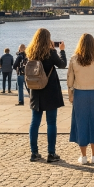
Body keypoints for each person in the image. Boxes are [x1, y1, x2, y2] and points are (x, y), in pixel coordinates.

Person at [67, 33, 94, 164]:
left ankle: (83, 156)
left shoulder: (74, 59)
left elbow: (69, 80)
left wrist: (70, 95)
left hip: (80, 93)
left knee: (81, 123)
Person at [26, 28, 67, 163]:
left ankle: (34, 153)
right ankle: (51, 153)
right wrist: (60, 50)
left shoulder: (30, 52)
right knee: (51, 123)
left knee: (34, 123)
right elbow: (62, 65)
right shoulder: (50, 53)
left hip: (35, 91)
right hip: (50, 91)